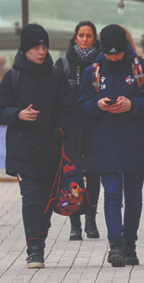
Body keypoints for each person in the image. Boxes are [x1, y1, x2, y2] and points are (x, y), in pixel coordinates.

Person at [78, 25, 144, 267]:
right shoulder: (93, 72)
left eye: (118, 53)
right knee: (113, 193)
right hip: (105, 143)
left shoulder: (142, 68)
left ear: (125, 48)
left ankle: (130, 245)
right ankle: (115, 244)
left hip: (136, 142)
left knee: (134, 196)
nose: (114, 58)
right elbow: (82, 107)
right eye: (109, 53)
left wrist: (133, 104)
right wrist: (98, 105)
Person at [0, 24, 74, 269]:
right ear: (25, 49)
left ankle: (40, 237)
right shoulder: (13, 77)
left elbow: (68, 111)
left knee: (47, 202)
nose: (41, 51)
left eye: (44, 46)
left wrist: (58, 134)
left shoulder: (57, 75)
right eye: (36, 47)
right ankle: (34, 250)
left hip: (50, 149)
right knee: (31, 198)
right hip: (22, 151)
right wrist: (18, 114)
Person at [56, 21, 102, 241]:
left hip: (94, 124)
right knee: (71, 173)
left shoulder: (102, 62)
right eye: (81, 35)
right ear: (75, 37)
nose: (84, 40)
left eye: (89, 36)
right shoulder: (63, 63)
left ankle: (91, 220)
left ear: (94, 38)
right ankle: (74, 222)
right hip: (70, 127)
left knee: (93, 173)